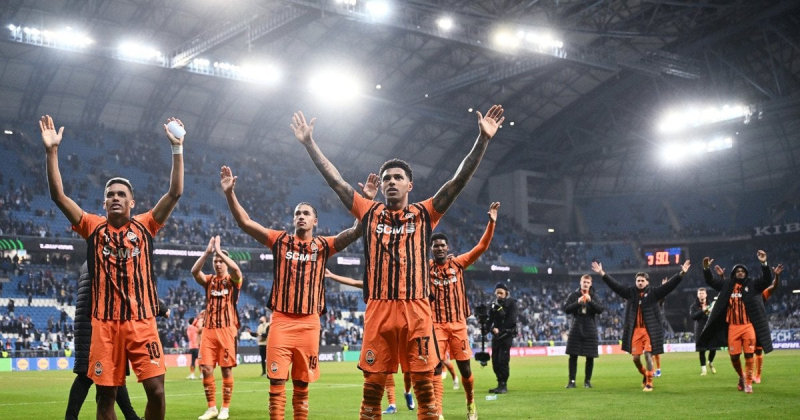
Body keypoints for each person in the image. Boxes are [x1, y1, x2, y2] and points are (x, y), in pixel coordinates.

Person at [294, 104, 504, 420]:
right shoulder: (369, 212)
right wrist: (310, 144)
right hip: (379, 309)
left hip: (417, 308)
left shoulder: (425, 213)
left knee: (425, 391)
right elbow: (336, 181)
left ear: (409, 185)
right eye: (386, 178)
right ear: (381, 186)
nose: (391, 181)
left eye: (398, 177)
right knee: (372, 391)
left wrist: (482, 140)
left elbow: (457, 181)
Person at [42, 114, 184, 419]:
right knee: (105, 399)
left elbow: (174, 193)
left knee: (157, 392)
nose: (115, 198)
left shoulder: (146, 225)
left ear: (132, 203)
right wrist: (52, 152)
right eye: (110, 195)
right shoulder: (92, 227)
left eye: (122, 194)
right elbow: (58, 196)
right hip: (104, 326)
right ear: (104, 204)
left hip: (142, 323)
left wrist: (177, 148)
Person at [221, 165, 362, 420]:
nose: (301, 216)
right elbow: (245, 222)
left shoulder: (324, 245)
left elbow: (354, 232)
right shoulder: (279, 240)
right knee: (276, 382)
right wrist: (230, 193)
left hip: (310, 323)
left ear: (315, 221)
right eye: (297, 213)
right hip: (281, 321)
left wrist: (366, 202)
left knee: (301, 384)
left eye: (306, 213)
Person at [429, 202, 499, 419]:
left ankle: (470, 403)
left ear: (447, 247)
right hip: (436, 325)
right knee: (435, 368)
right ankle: (437, 411)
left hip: (458, 325)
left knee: (466, 370)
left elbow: (481, 247)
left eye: (442, 245)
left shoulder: (458, 264)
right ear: (431, 249)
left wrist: (491, 223)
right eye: (436, 246)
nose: (439, 248)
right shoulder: (425, 268)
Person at [324, 269, 415, 416]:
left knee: (409, 368)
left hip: (404, 326)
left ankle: (407, 391)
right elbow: (354, 282)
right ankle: (392, 404)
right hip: (383, 329)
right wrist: (332, 275)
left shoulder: (403, 284)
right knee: (385, 368)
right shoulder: (375, 284)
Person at [591, 260, 690, 392]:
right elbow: (615, 286)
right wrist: (602, 273)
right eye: (638, 280)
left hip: (649, 330)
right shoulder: (630, 292)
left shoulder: (654, 293)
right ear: (635, 282)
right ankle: (645, 374)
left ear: (647, 282)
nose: (640, 282)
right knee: (635, 359)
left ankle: (649, 383)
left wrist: (681, 273)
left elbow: (669, 287)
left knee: (648, 355)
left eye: (642, 280)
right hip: (635, 331)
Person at [65, 262, 145, 420]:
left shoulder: (88, 262)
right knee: (90, 375)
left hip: (87, 323)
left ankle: (131, 417)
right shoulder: (104, 260)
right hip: (98, 324)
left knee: (111, 373)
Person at [698, 252, 775, 393]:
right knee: (734, 357)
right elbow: (711, 282)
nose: (740, 272)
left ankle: (749, 383)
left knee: (749, 355)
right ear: (734, 274)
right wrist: (706, 269)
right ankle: (742, 376)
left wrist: (764, 263)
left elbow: (767, 280)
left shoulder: (752, 284)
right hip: (733, 327)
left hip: (748, 326)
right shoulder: (728, 285)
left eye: (742, 271)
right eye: (737, 271)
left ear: (746, 273)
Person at [192, 236, 243, 420]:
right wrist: (207, 253)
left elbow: (236, 270)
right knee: (206, 368)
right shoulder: (209, 280)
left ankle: (225, 408)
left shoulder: (233, 281)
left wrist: (220, 251)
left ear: (226, 263)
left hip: (227, 330)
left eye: (221, 261)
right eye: (216, 261)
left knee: (226, 370)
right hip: (209, 331)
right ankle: (212, 408)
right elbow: (194, 271)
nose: (218, 264)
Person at [564, 274, 604, 389]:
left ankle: (587, 381)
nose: (585, 284)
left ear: (590, 284)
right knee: (573, 356)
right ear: (580, 283)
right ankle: (572, 381)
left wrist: (590, 301)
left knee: (590, 356)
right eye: (584, 282)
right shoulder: (573, 295)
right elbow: (566, 309)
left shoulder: (594, 296)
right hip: (576, 328)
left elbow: (600, 310)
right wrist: (578, 302)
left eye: (588, 282)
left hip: (590, 329)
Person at [486, 282, 517, 394]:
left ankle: (503, 384)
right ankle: (499, 383)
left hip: (506, 335)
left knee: (503, 360)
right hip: (496, 336)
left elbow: (512, 320)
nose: (499, 295)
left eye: (501, 293)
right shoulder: (493, 305)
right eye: (497, 293)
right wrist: (488, 328)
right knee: (495, 360)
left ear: (506, 293)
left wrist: (500, 329)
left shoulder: (512, 303)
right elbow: (489, 320)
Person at [755, 264, 783, 383]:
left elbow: (774, 286)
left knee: (758, 350)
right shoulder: (745, 294)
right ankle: (749, 374)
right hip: (746, 325)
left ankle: (758, 375)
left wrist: (776, 276)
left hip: (758, 325)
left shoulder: (761, 294)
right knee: (748, 352)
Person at [690, 288, 716, 376]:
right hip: (699, 330)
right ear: (697, 295)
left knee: (713, 348)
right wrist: (703, 311)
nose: (701, 295)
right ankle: (704, 370)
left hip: (710, 329)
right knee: (702, 350)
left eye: (703, 293)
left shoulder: (711, 304)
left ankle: (710, 362)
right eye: (700, 293)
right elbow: (693, 316)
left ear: (706, 295)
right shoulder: (694, 306)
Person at [186, 315, 201, 380]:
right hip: (196, 346)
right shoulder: (193, 328)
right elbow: (200, 329)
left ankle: (192, 374)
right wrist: (199, 319)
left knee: (193, 361)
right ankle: (201, 374)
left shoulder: (189, 328)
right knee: (200, 361)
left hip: (191, 346)